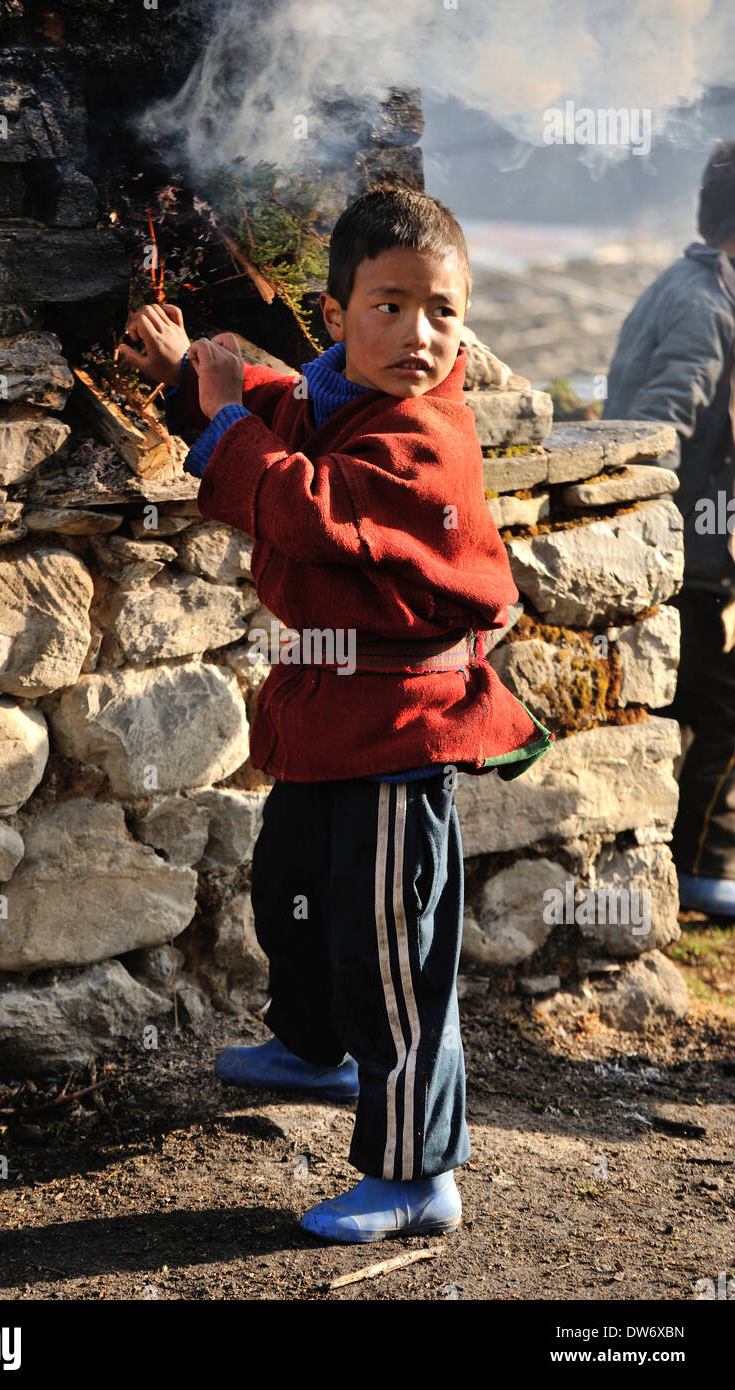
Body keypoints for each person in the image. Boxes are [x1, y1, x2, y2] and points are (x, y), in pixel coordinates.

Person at [120, 184, 553, 1243]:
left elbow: (309, 504)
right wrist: (193, 377)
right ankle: (314, 1047)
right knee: (296, 892)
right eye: (389, 306)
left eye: (442, 310)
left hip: (401, 732)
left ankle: (416, 1172)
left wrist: (220, 421)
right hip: (331, 719)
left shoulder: (422, 438)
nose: (419, 334)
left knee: (392, 950)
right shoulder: (340, 394)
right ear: (333, 318)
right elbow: (288, 409)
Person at [602, 142, 735, 915]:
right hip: (688, 555)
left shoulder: (695, 286)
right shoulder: (703, 303)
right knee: (717, 711)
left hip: (687, 548)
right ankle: (702, 869)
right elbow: (661, 424)